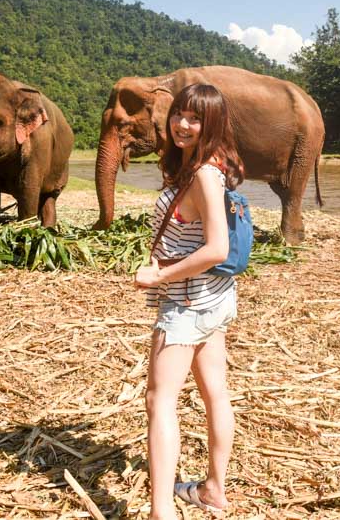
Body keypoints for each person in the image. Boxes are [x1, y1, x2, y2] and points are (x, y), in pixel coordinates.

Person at [134, 83, 243, 519]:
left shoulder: (202, 174)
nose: (182, 123)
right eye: (179, 113)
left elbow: (216, 248)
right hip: (214, 300)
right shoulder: (209, 166)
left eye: (194, 118)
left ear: (211, 124)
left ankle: (162, 512)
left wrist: (158, 274)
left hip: (186, 305)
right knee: (215, 391)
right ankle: (214, 490)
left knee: (159, 401)